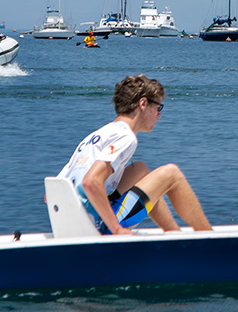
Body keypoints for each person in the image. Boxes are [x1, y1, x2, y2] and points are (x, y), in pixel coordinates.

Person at [55, 75, 212, 235]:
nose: (159, 115)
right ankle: (208, 236)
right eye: (158, 108)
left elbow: (52, 194)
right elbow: (91, 182)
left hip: (74, 223)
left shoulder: (96, 136)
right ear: (143, 103)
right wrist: (117, 229)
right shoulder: (126, 137)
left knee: (139, 169)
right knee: (172, 174)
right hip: (99, 227)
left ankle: (173, 233)